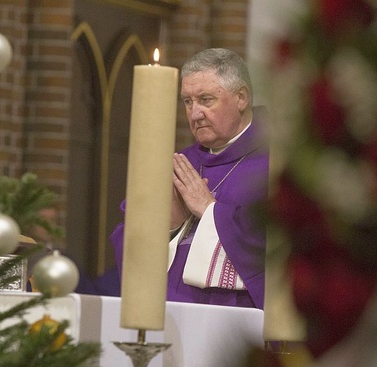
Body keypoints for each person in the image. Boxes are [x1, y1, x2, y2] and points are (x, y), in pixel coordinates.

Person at [110, 48, 268, 308]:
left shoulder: (278, 162)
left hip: (236, 325)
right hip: (168, 318)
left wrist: (209, 210)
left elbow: (277, 249)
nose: (194, 114)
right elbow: (128, 239)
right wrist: (168, 227)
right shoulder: (179, 164)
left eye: (206, 100)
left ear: (241, 98)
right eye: (187, 101)